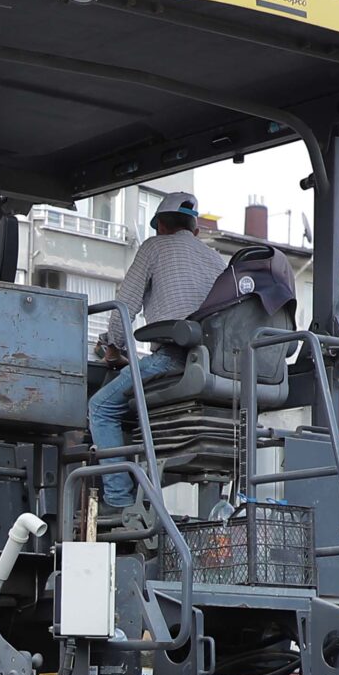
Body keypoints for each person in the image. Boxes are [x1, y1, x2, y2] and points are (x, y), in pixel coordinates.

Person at [88, 189, 226, 510]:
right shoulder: (216, 260)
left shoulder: (154, 248)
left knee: (102, 408)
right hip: (210, 365)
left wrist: (113, 349)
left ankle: (119, 503)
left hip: (171, 360)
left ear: (160, 226)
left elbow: (125, 306)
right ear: (195, 230)